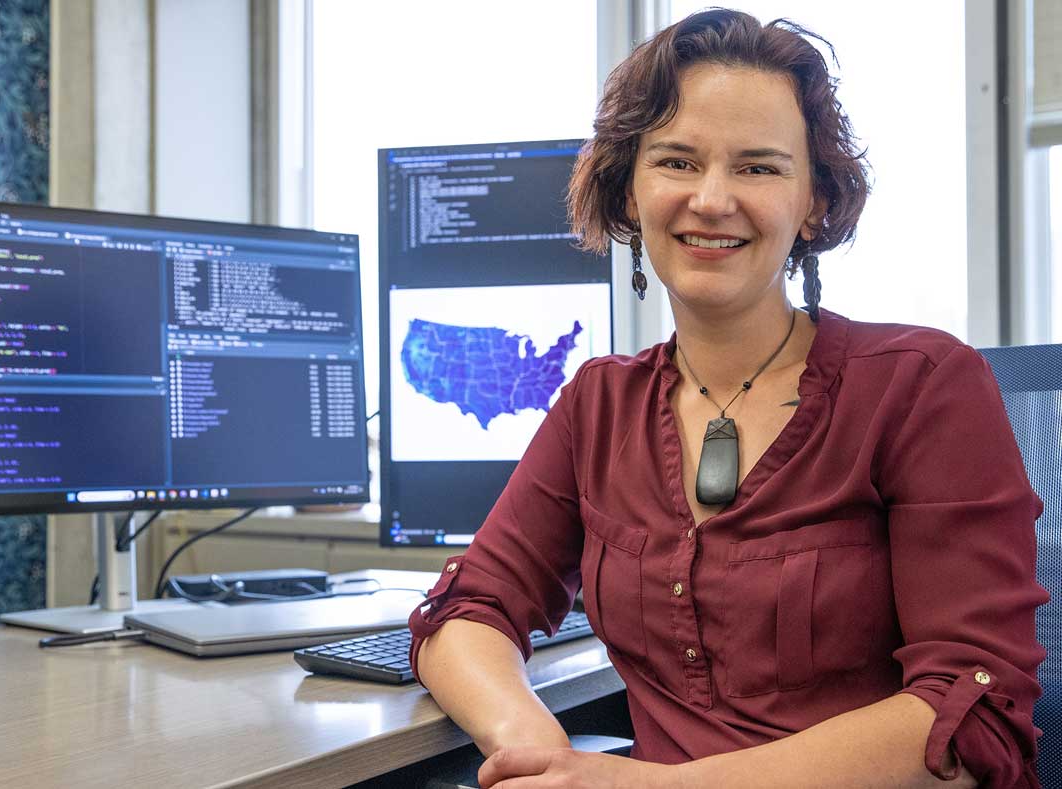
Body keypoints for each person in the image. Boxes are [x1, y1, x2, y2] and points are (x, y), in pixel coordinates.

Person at [406, 9, 1047, 789]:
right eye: (676, 161)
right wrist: (536, 745)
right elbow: (468, 606)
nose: (711, 200)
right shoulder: (599, 404)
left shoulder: (921, 385)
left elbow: (972, 712)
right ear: (630, 191)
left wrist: (641, 786)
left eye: (759, 167)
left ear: (814, 200)